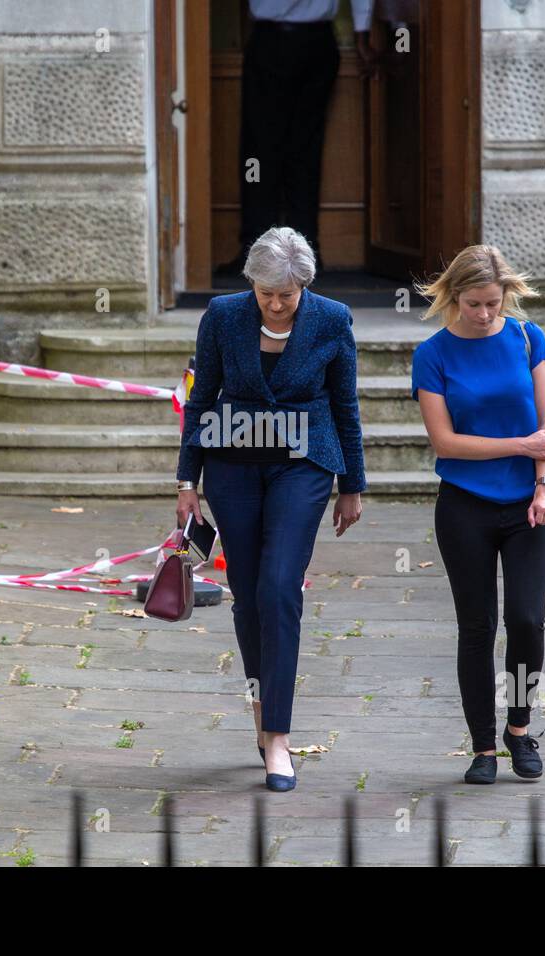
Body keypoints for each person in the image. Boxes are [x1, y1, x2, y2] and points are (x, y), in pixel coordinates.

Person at [177, 226, 366, 792]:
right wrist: (187, 480)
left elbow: (344, 402)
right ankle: (263, 706)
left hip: (303, 462)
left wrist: (352, 483)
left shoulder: (332, 318)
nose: (278, 304)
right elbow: (200, 397)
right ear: (252, 286)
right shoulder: (222, 315)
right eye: (267, 294)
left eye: (287, 293)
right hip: (231, 463)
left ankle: (278, 737)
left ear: (304, 285)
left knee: (281, 586)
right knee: (250, 594)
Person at [410, 244, 545, 785]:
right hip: (464, 507)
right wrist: (517, 446)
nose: (484, 314)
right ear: (453, 297)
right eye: (474, 304)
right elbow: (445, 443)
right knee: (476, 628)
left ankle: (519, 730)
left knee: (526, 619)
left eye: (494, 303)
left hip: (530, 504)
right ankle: (482, 748)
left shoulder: (527, 338)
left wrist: (543, 486)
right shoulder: (432, 354)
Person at [215, 0, 375, 277]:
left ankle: (280, 252)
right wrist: (362, 34)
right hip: (297, 40)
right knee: (294, 151)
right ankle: (285, 252)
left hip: (289, 40)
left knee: (268, 150)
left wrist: (363, 34)